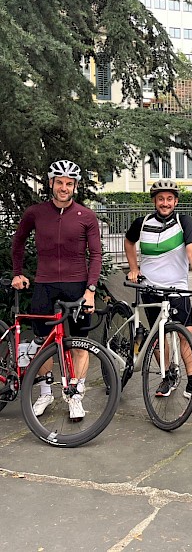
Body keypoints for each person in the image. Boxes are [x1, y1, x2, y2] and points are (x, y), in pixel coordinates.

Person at [12, 159, 101, 421]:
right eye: (59, 182)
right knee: (42, 342)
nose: (64, 188)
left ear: (75, 186)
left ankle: (75, 396)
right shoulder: (36, 213)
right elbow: (18, 242)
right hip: (45, 284)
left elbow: (96, 255)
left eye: (69, 183)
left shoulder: (86, 216)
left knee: (80, 343)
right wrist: (17, 273)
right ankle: (45, 393)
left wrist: (90, 290)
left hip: (77, 285)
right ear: (51, 183)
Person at [124, 179, 192, 402]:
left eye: (170, 199)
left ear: (176, 201)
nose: (165, 203)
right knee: (158, 336)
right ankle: (167, 377)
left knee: (186, 333)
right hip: (150, 289)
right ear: (154, 201)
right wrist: (134, 268)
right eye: (161, 199)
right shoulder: (142, 223)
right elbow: (129, 242)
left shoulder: (184, 222)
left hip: (177, 290)